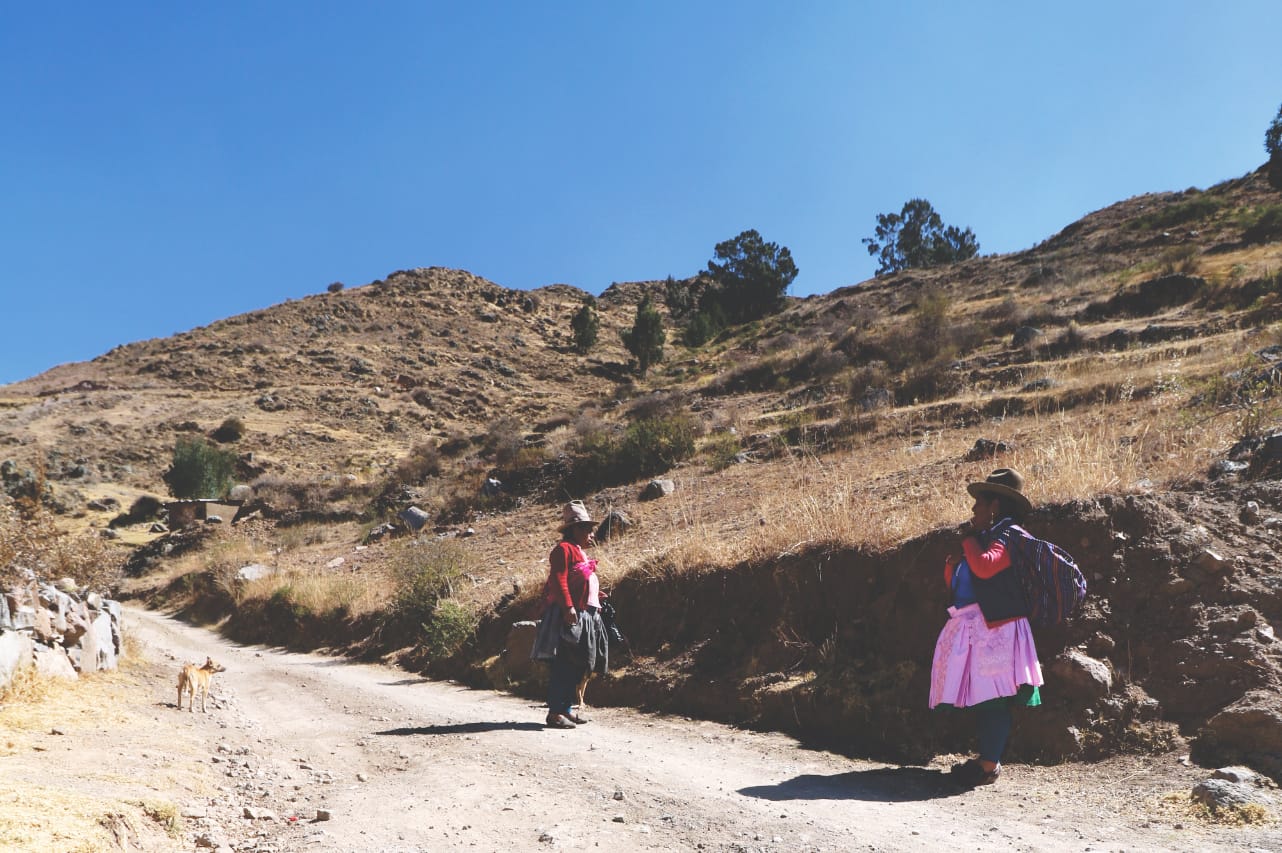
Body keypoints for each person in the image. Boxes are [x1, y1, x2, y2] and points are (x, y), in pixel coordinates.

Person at [929, 468, 1044, 787]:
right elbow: (965, 584)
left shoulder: (1010, 536)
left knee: (994, 698)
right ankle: (986, 760)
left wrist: (967, 541)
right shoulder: (987, 538)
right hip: (983, 630)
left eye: (979, 503)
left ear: (994, 506)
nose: (973, 510)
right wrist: (953, 566)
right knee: (986, 698)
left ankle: (988, 765)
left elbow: (985, 566)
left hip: (998, 633)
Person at [530, 500, 608, 729]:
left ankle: (566, 709)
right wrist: (569, 608)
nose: (592, 534)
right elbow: (559, 580)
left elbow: (577, 581)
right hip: (570, 616)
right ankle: (555, 713)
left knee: (578, 663)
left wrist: (594, 594)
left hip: (585, 614)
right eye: (587, 529)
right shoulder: (563, 550)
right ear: (574, 529)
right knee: (565, 662)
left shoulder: (579, 552)